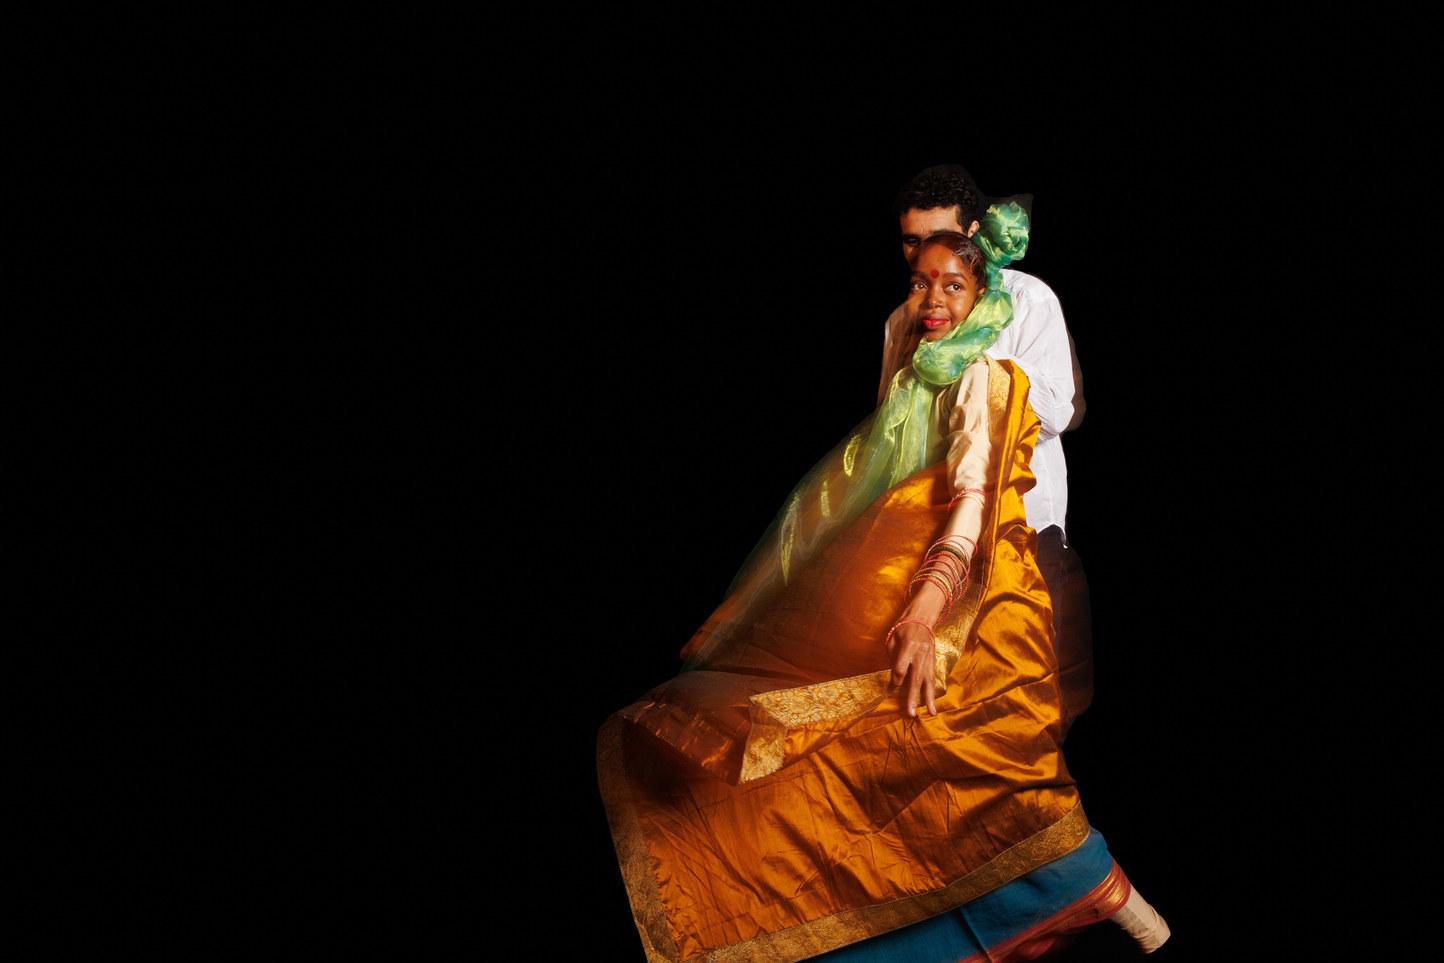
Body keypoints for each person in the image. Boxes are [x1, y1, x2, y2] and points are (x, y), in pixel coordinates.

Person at [597, 202, 1170, 962]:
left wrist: (925, 614)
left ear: (984, 293)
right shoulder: (912, 353)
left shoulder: (986, 376)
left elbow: (972, 498)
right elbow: (873, 483)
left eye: (952, 285)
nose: (930, 299)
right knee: (870, 766)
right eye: (918, 279)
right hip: (896, 580)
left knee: (983, 756)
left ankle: (1102, 894)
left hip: (979, 584)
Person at [881, 165, 1093, 740]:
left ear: (974, 234)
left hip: (1023, 535)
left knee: (1030, 718)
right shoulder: (902, 321)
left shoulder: (1026, 300)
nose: (926, 254)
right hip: (926, 543)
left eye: (942, 237)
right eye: (912, 242)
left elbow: (1059, 411)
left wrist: (973, 362)